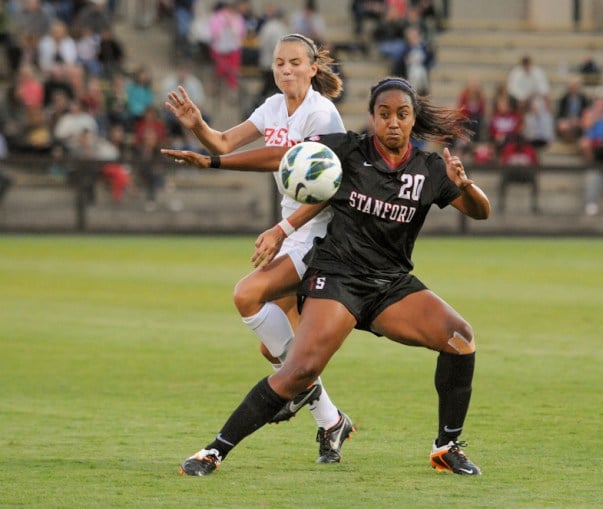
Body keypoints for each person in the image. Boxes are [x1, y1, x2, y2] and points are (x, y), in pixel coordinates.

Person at [162, 76, 490, 476]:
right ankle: (213, 451)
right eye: (383, 114)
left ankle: (446, 446)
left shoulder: (431, 168)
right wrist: (213, 160)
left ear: (413, 119)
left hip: (390, 285)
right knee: (299, 371)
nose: (392, 122)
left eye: (402, 115)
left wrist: (466, 187)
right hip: (338, 278)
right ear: (371, 117)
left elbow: (479, 211)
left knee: (460, 339)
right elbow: (282, 156)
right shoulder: (347, 151)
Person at [164, 33, 353, 466]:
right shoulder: (272, 106)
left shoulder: (321, 113)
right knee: (276, 349)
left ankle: (305, 393)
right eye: (278, 63)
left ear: (312, 69)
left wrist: (280, 228)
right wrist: (198, 126)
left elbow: (289, 166)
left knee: (247, 295)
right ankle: (330, 421)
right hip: (292, 228)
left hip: (320, 230)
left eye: (294, 63)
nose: (285, 69)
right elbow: (226, 143)